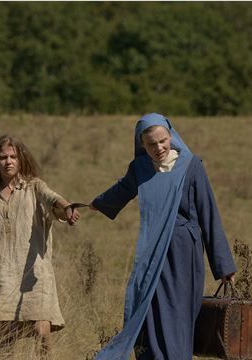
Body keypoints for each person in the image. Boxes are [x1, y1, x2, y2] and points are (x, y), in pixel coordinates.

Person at [90, 113, 237, 359]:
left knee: (177, 315)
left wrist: (223, 266)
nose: (158, 148)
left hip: (183, 254)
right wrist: (94, 204)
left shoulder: (191, 166)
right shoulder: (140, 168)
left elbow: (208, 213)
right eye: (151, 144)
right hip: (151, 252)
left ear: (171, 136)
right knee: (149, 311)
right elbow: (122, 190)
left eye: (162, 141)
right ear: (142, 145)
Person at [0, 134, 80, 356]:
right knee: (6, 337)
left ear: (21, 159)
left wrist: (68, 207)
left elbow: (53, 199)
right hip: (3, 275)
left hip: (36, 275)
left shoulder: (34, 187)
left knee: (42, 330)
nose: (8, 161)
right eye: (3, 157)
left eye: (13, 156)